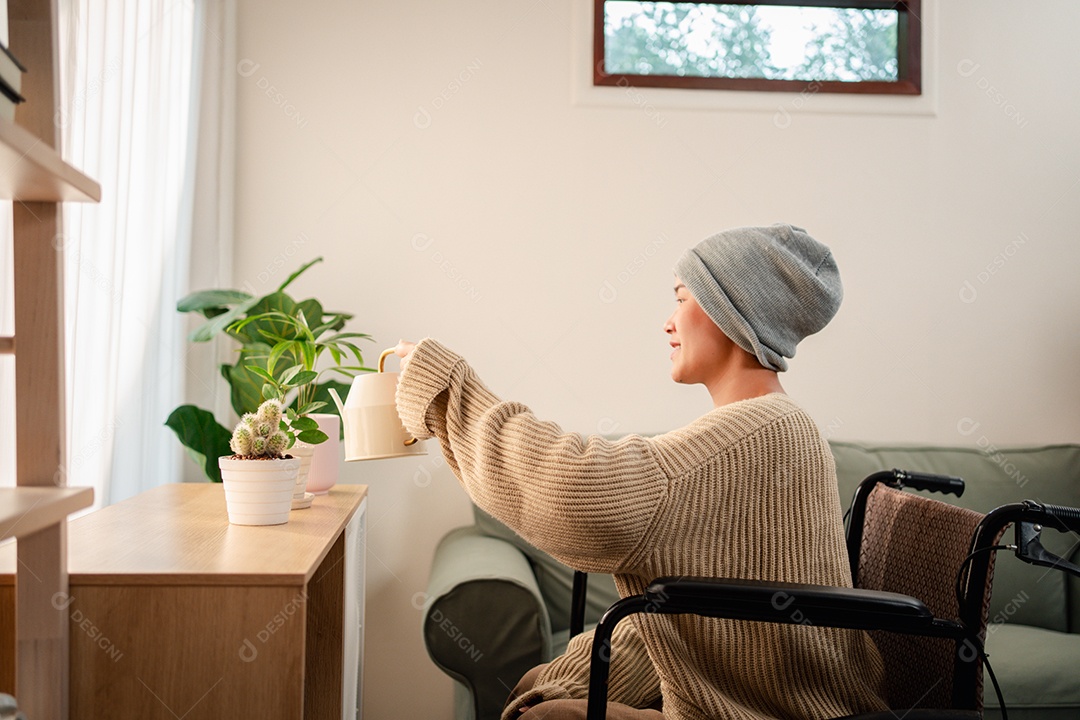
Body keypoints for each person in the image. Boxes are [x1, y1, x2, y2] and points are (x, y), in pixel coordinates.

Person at [393, 224, 887, 720]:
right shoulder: (772, 424)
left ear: (731, 313)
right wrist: (566, 679)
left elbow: (579, 490)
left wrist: (446, 387)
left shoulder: (758, 432)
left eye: (682, 298)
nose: (668, 323)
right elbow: (697, 612)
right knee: (540, 692)